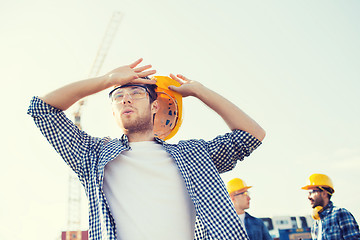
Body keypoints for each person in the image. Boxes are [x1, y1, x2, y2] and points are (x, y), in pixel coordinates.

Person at [27, 58, 266, 240]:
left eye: (136, 93)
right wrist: (108, 79)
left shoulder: (194, 155)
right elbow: (41, 109)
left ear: (155, 106)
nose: (125, 99)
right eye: (118, 96)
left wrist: (199, 91)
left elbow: (252, 135)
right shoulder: (93, 156)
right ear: (113, 113)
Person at [302, 173, 360, 240]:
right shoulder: (316, 223)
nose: (309, 197)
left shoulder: (340, 213)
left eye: (312, 192)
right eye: (308, 193)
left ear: (324, 193)